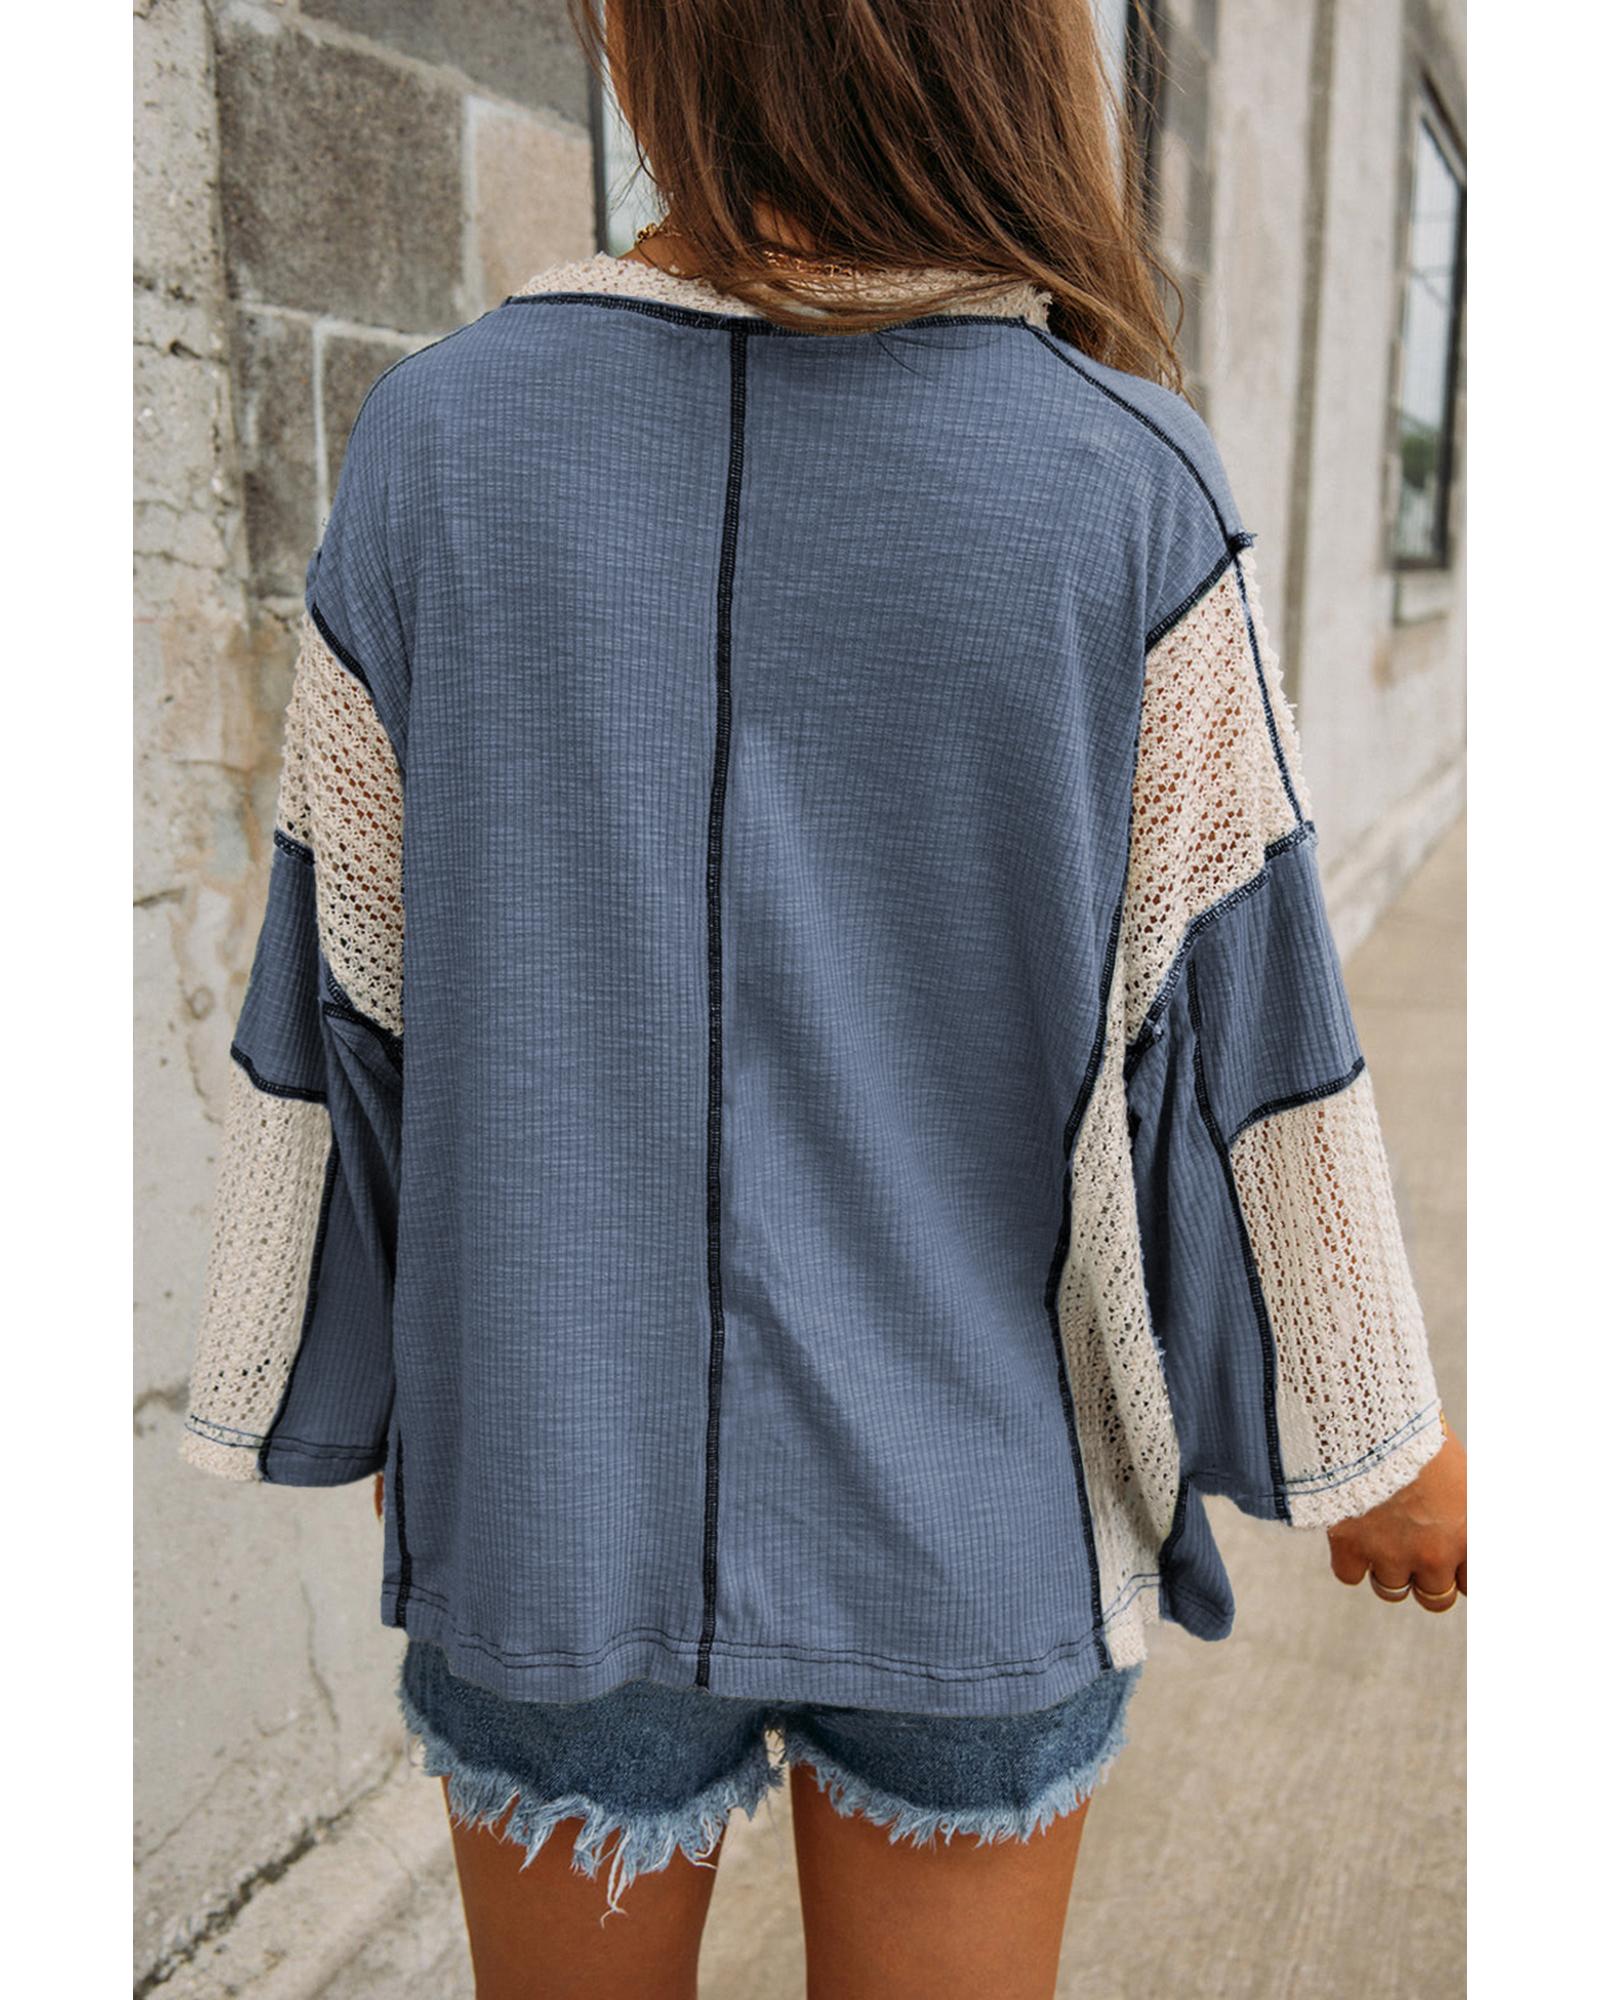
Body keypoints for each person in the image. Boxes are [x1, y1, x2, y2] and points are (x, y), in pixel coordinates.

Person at [178, 2, 1467, 1993]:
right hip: (982, 1506)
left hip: (552, 1481)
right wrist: (1374, 1438)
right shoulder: (1128, 484)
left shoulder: (438, 443)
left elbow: (349, 988)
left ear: (643, 31)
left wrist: (339, 1372)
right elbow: (1242, 1023)